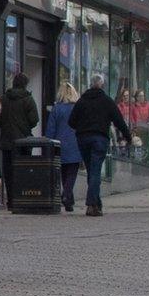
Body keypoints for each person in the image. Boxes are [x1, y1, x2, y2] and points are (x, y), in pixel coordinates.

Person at [66, 73, 133, 218]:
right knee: (95, 171)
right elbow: (119, 121)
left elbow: (71, 121)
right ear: (102, 85)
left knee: (92, 171)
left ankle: (97, 204)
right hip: (99, 138)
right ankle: (92, 204)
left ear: (91, 84)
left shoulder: (82, 101)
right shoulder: (107, 101)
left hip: (83, 138)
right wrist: (128, 137)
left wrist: (82, 127)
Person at [0, 71, 40, 201]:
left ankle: (10, 198)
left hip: (7, 141)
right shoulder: (28, 99)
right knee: (24, 170)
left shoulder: (3, 99)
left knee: (8, 171)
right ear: (25, 84)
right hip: (23, 141)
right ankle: (22, 197)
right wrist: (25, 127)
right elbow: (34, 120)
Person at [44, 82, 85, 213]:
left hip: (59, 144)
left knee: (63, 173)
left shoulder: (57, 108)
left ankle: (69, 201)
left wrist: (49, 143)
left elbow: (51, 128)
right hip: (75, 143)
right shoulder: (77, 108)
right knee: (72, 173)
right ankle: (67, 196)